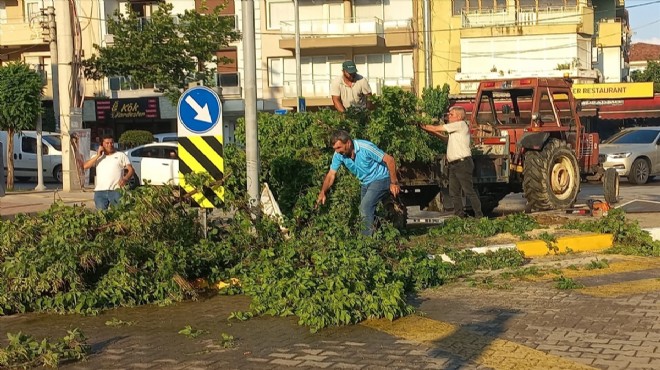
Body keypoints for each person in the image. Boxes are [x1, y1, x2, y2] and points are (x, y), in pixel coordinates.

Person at [316, 130, 400, 236]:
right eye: (335, 149)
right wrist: (323, 191)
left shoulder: (365, 147)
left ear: (348, 143)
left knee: (365, 207)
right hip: (365, 182)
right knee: (366, 211)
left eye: (339, 147)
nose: (337, 151)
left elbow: (390, 160)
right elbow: (331, 174)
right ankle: (381, 234)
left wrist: (394, 183)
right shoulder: (338, 155)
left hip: (381, 178)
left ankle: (366, 243)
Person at [419, 106, 483, 218]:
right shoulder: (455, 130)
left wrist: (421, 125)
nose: (449, 116)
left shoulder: (461, 124)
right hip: (454, 164)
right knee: (454, 192)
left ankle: (479, 216)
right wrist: (430, 131)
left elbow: (436, 128)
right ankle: (460, 215)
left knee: (468, 191)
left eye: (451, 114)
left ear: (458, 117)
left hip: (463, 163)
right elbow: (445, 139)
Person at [83, 135, 134, 210]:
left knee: (118, 213)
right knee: (102, 215)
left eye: (111, 143)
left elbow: (131, 170)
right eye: (107, 143)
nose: (110, 145)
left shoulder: (120, 155)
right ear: (102, 145)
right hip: (100, 191)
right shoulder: (97, 157)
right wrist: (98, 155)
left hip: (116, 190)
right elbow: (85, 166)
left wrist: (125, 179)